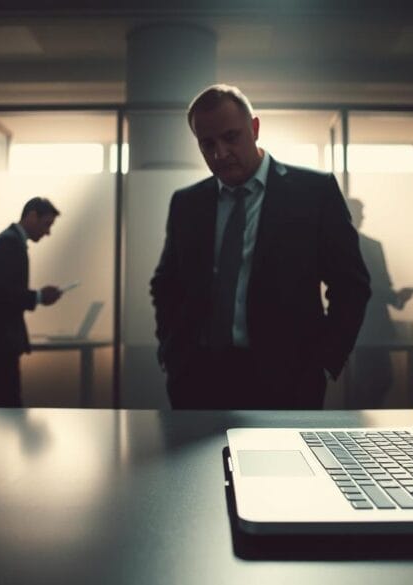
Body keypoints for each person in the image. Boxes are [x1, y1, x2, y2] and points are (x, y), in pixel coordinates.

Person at [150, 84, 371, 409]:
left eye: (231, 137)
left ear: (254, 128)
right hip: (197, 379)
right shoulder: (187, 203)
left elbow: (351, 284)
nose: (220, 153)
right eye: (207, 144)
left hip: (287, 382)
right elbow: (166, 284)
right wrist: (172, 352)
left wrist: (324, 361)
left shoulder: (313, 192)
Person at [0, 197, 63, 407]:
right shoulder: (10, 244)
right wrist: (38, 297)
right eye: (46, 224)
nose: (48, 232)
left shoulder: (7, 241)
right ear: (32, 216)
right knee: (4, 403)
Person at [345, 198, 413, 408]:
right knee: (376, 381)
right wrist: (395, 297)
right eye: (359, 212)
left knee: (371, 381)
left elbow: (375, 285)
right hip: (369, 324)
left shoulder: (347, 244)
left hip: (362, 324)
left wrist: (395, 297)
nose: (363, 216)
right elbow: (375, 285)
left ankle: (361, 421)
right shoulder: (367, 246)